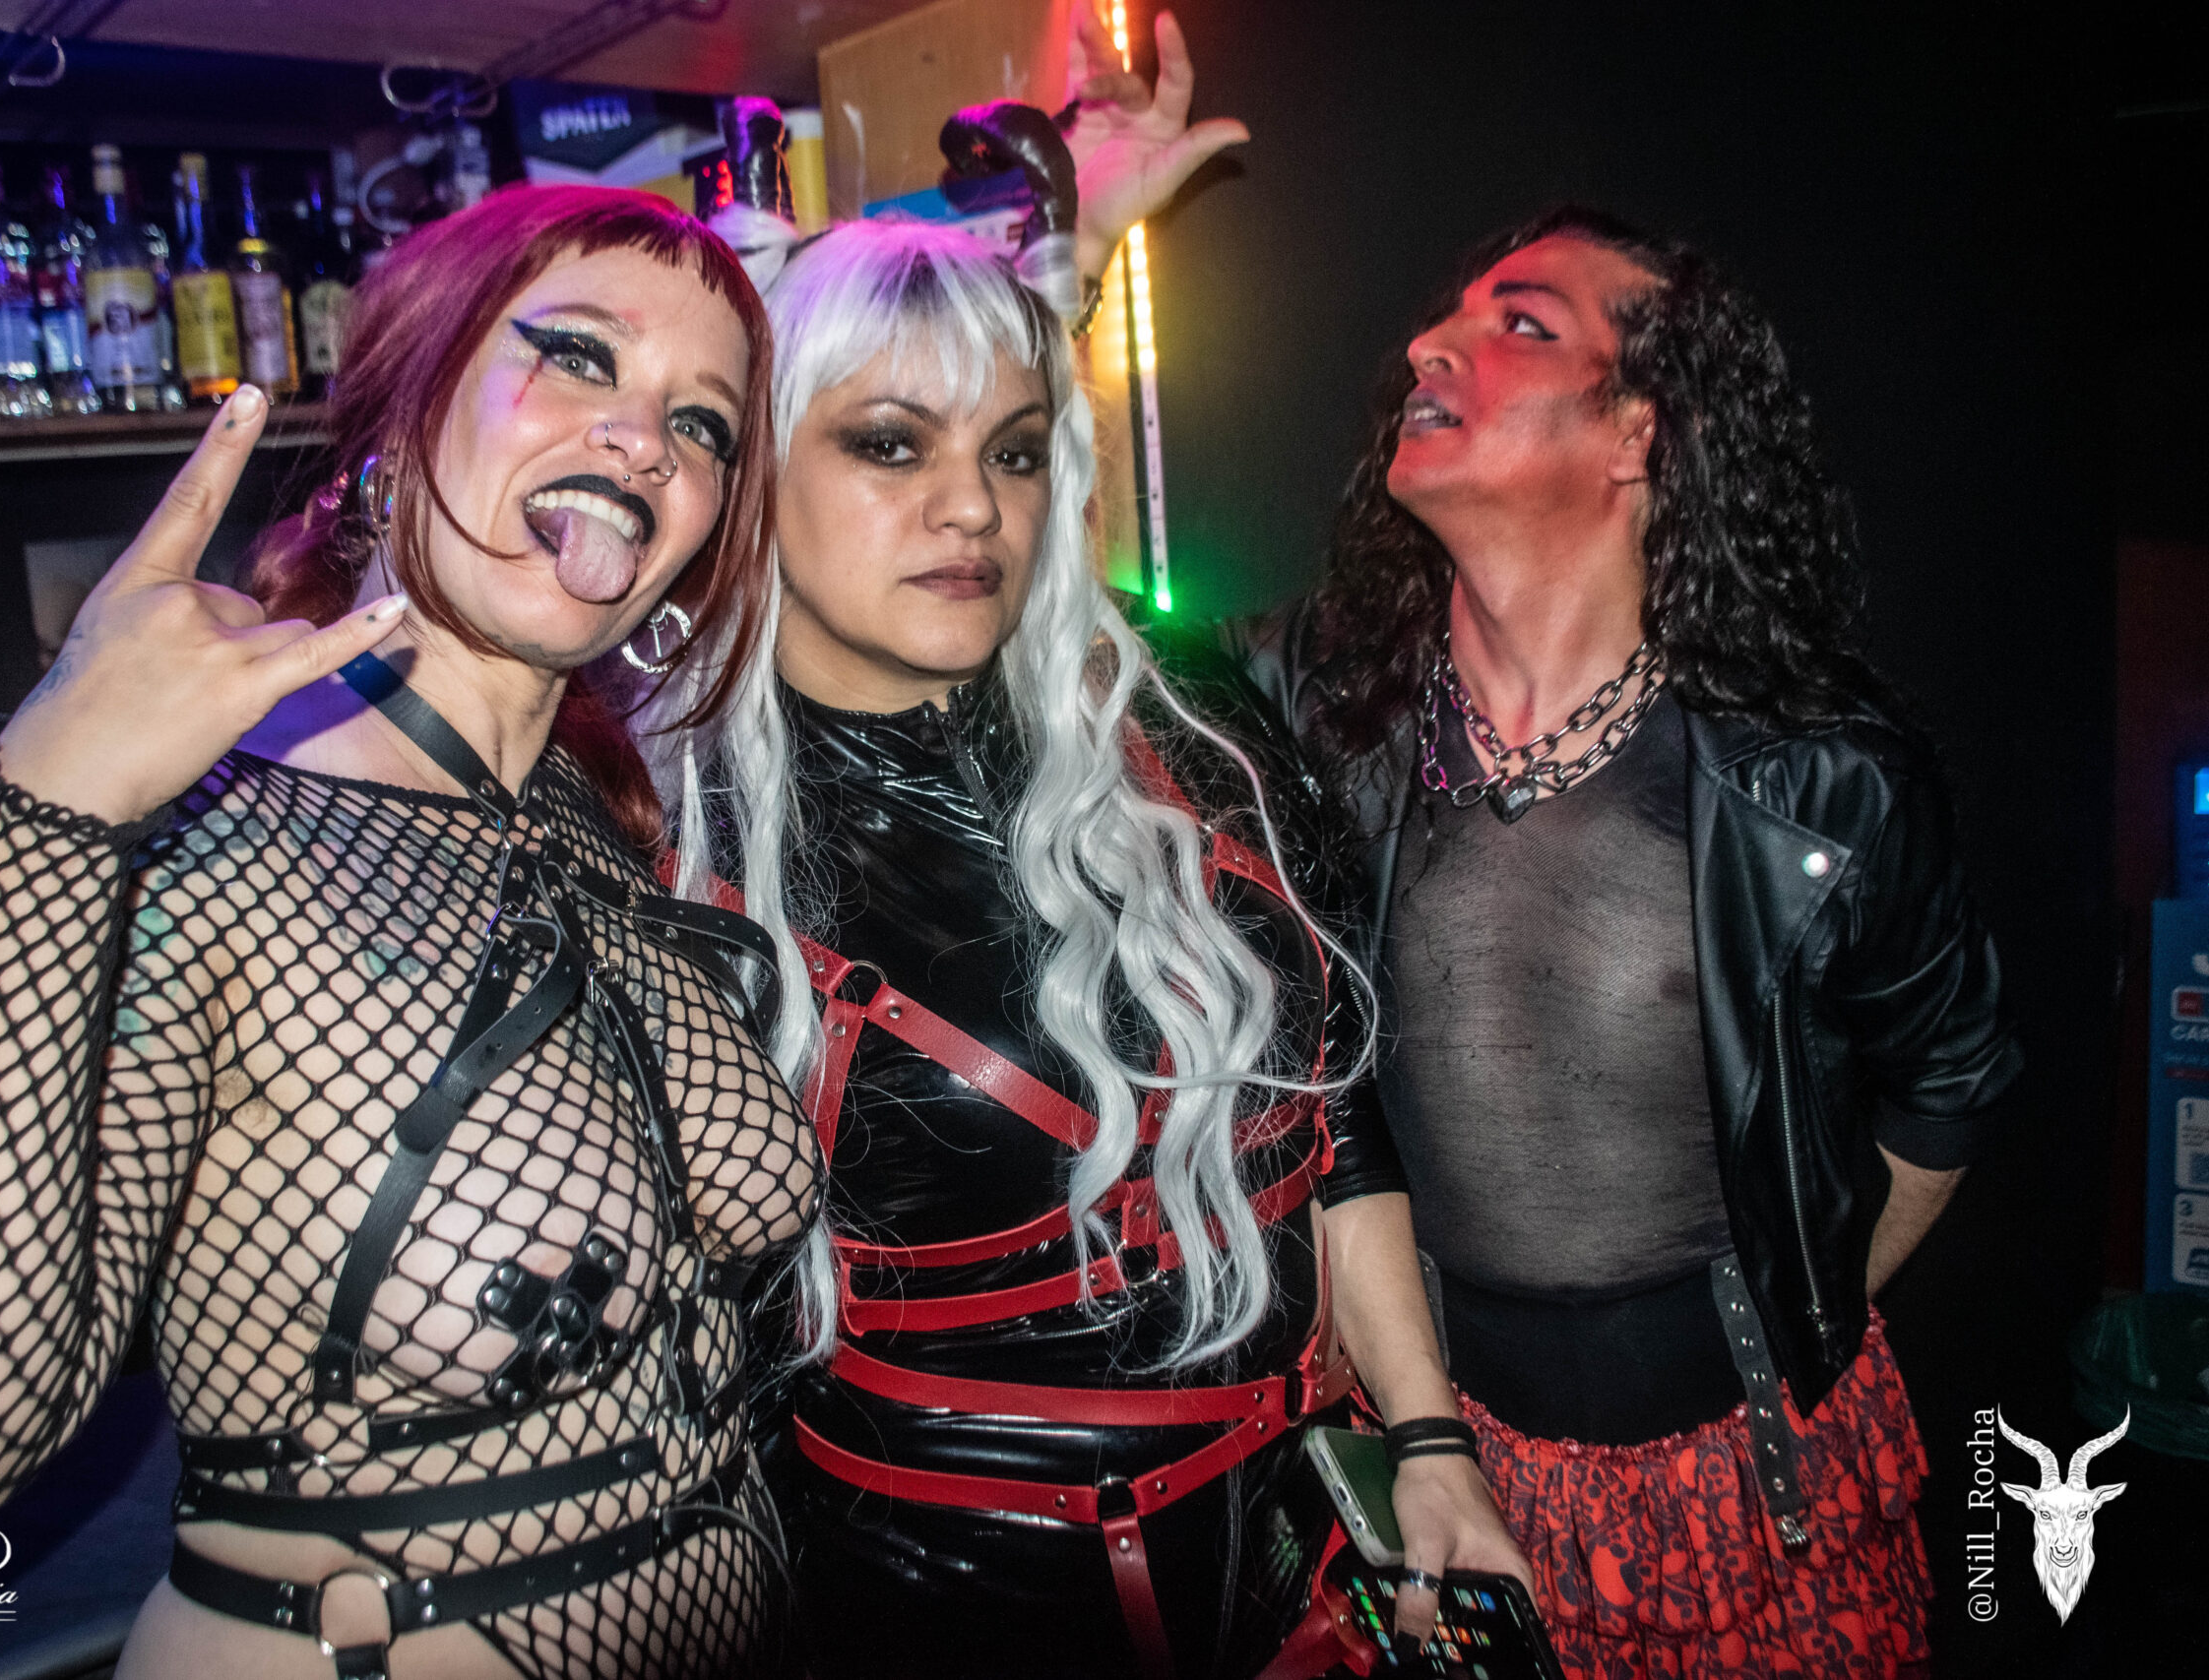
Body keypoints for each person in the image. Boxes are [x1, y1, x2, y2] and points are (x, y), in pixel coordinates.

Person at [0, 185, 818, 1680]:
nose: (644, 440)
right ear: (405, 412)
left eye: (702, 423)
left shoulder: (590, 813)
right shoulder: (213, 830)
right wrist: (48, 805)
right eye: (578, 356)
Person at [635, 23, 1525, 1658]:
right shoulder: (675, 849)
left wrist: (1426, 1440)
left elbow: (1333, 1120)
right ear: (755, 467)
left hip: (1298, 1578)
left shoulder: (1176, 721)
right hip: (939, 1612)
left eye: (1014, 450)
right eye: (889, 443)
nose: (973, 506)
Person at [1231, 207, 2022, 1678]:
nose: (1431, 343)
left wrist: (1797, 1316)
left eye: (1522, 323)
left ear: (1638, 432)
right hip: (1449, 1466)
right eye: (1449, 315)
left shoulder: (1818, 774)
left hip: (1760, 1484)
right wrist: (1058, 252)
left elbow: (1952, 1083)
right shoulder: (1310, 715)